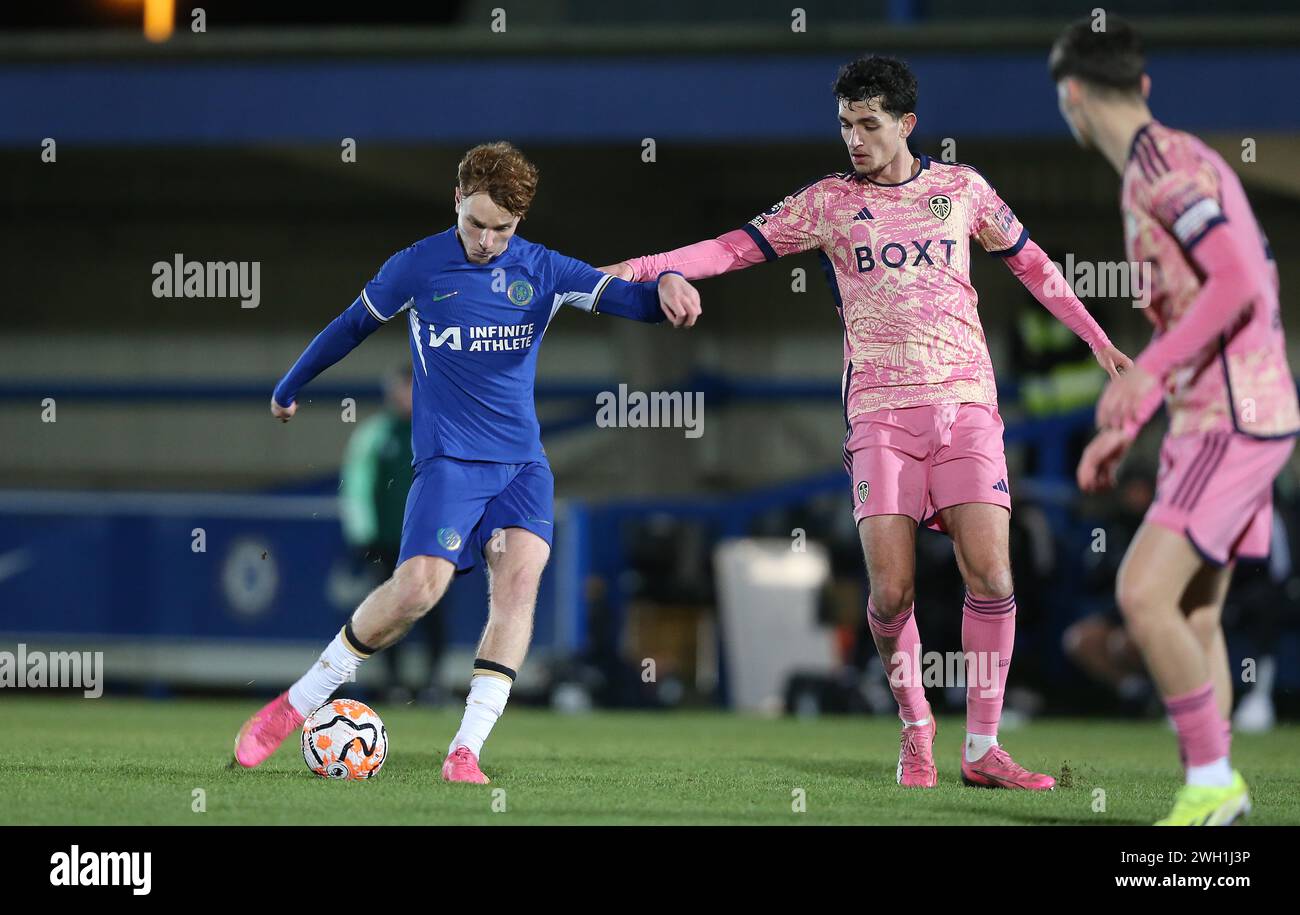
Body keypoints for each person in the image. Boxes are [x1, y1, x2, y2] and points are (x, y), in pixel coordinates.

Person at [601, 55, 1129, 789]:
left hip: (969, 407)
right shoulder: (825, 204)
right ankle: (917, 731)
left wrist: (1099, 341)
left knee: (994, 574)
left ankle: (982, 748)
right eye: (845, 123)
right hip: (881, 415)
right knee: (890, 594)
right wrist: (651, 266)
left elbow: (1032, 263)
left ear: (907, 124)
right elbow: (731, 247)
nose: (854, 137)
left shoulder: (961, 189)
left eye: (869, 123)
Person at [232, 141, 701, 783]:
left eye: (501, 229)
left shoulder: (545, 270)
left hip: (523, 470)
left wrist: (669, 281)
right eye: (475, 223)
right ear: (457, 202)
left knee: (517, 592)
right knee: (416, 593)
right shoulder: (416, 267)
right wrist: (289, 386)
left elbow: (638, 303)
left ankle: (465, 752)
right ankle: (297, 704)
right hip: (451, 464)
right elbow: (349, 326)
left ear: (520, 223)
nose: (485, 240)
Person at [1058, 18, 1299, 824]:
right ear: (1145, 86)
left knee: (1140, 593)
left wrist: (1149, 375)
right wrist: (1130, 421)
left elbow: (1237, 284)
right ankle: (1217, 790)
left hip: (1231, 417)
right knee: (1196, 613)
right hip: (1245, 410)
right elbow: (1199, 305)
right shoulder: (1182, 157)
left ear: (1072, 96)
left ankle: (1210, 781)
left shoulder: (1157, 171)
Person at [340, 363, 446, 705]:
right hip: (387, 540)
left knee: (433, 610)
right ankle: (393, 684)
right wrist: (363, 533)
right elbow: (357, 484)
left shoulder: (437, 429)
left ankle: (433, 683)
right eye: (400, 387)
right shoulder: (376, 433)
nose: (405, 395)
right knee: (389, 612)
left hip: (431, 542)